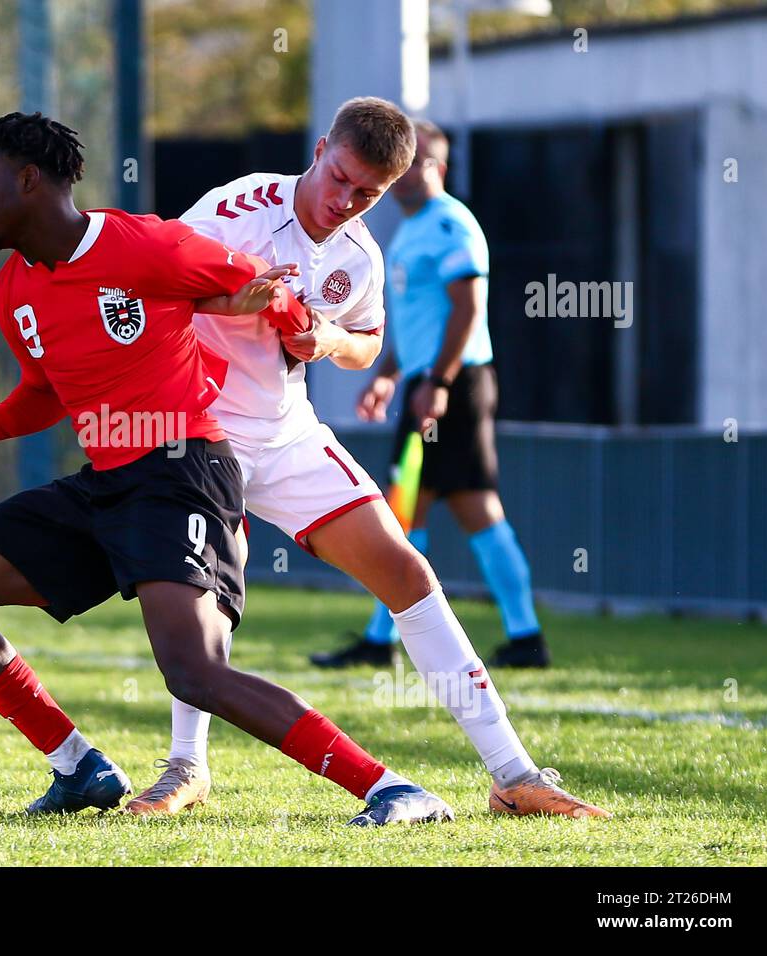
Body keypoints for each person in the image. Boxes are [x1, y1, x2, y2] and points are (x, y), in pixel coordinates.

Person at [0, 111, 453, 826]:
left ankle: (390, 789)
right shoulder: (13, 291)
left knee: (194, 671)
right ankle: (79, 767)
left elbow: (263, 283)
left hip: (184, 472)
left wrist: (271, 315)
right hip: (105, 484)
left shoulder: (140, 242)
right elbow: (46, 391)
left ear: (29, 180)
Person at [125, 100, 609, 823]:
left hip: (289, 434)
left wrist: (320, 337)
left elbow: (365, 344)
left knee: (408, 573)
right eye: (341, 179)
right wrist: (244, 301)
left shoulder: (360, 254)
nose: (345, 202)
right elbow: (154, 287)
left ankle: (514, 776)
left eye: (367, 195)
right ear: (320, 150)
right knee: (207, 605)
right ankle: (185, 770)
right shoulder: (235, 208)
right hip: (202, 430)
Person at [312, 119, 551, 671]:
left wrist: (437, 383)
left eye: (416, 163)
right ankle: (525, 637)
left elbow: (467, 310)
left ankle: (380, 642)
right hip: (436, 382)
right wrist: (391, 373)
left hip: (454, 384)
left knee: (402, 510)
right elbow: (422, 320)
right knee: (473, 510)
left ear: (436, 168)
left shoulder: (449, 223)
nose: (403, 175)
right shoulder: (410, 229)